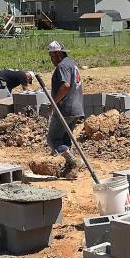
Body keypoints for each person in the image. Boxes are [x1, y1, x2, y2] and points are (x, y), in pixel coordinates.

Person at [47, 40, 85, 178]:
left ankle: (74, 162)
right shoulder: (72, 64)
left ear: (58, 54)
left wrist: (53, 103)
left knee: (53, 139)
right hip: (77, 108)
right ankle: (71, 171)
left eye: (51, 56)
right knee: (65, 139)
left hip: (65, 108)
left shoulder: (62, 66)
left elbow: (66, 86)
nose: (51, 59)